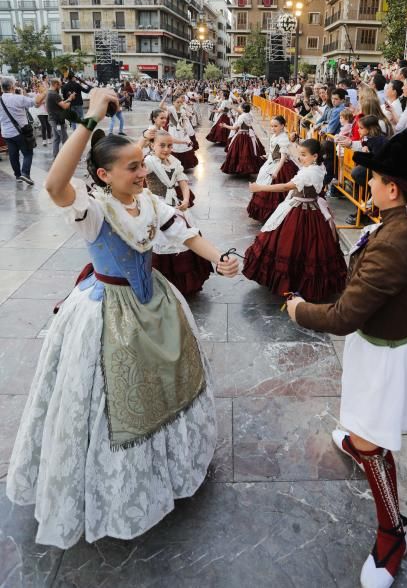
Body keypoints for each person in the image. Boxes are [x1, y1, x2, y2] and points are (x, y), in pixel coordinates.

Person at [6, 87, 238, 549]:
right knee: (109, 403)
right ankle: (117, 488)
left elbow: (186, 232)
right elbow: (54, 186)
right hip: (105, 312)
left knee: (167, 383)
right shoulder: (93, 210)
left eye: (141, 162)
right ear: (102, 174)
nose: (141, 170)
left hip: (156, 303)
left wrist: (219, 259)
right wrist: (90, 118)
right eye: (132, 166)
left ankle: (166, 467)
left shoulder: (150, 203)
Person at [285, 131, 407, 588]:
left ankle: (391, 534)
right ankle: (357, 439)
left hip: (385, 355)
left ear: (392, 188)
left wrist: (299, 310)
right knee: (363, 425)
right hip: (397, 338)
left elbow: (345, 315)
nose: (365, 180)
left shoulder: (397, 240)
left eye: (374, 176)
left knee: (374, 444)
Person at [243, 139, 347, 301]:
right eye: (300, 155)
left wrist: (260, 187)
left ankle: (294, 282)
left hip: (303, 211)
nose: (300, 158)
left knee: (292, 243)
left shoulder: (309, 172)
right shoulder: (318, 167)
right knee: (308, 246)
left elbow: (286, 187)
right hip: (311, 208)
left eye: (304, 155)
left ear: (315, 156)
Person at [144, 130, 212, 295]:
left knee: (183, 237)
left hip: (174, 204)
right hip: (156, 205)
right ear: (152, 145)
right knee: (162, 242)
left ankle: (184, 283)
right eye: (162, 145)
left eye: (169, 145)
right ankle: (162, 282)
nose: (166, 149)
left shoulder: (173, 160)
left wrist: (187, 200)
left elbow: (182, 182)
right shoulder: (150, 161)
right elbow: (135, 170)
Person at [247, 115, 297, 222]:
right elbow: (274, 150)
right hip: (272, 162)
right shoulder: (275, 136)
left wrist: (276, 171)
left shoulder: (283, 138)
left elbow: (283, 157)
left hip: (281, 166)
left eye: (276, 126)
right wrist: (267, 156)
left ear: (282, 126)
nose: (273, 128)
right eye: (272, 126)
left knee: (276, 190)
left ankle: (276, 215)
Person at [0, 77, 47, 184]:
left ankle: (17, 176)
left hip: (6, 133)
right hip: (20, 132)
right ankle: (25, 174)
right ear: (12, 86)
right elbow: (36, 102)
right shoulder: (18, 98)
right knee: (28, 153)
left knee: (13, 154)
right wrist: (44, 92)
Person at [220, 103, 265, 176]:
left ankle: (239, 168)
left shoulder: (242, 116)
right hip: (248, 135)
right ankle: (248, 168)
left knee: (238, 151)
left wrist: (225, 125)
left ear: (243, 109)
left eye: (240, 107)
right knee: (248, 151)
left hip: (241, 136)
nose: (239, 108)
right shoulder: (249, 115)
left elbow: (234, 128)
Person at [46, 78, 76, 159]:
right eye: (59, 85)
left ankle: (55, 156)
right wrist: (71, 100)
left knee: (56, 138)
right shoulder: (54, 94)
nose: (60, 86)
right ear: (56, 84)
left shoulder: (49, 93)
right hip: (57, 121)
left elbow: (61, 103)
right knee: (64, 139)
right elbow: (65, 106)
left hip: (53, 119)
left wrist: (69, 98)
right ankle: (69, 157)